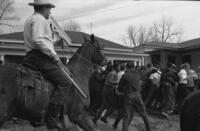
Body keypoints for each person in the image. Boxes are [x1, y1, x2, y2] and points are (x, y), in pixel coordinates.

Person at [23, 0, 72, 129]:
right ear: (43, 8)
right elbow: (38, 40)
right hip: (40, 58)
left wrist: (54, 40)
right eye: (49, 8)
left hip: (31, 56)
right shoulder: (40, 19)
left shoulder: (30, 19)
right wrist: (54, 55)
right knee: (65, 82)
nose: (50, 11)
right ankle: (52, 117)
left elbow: (42, 40)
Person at [117, 62, 151, 131]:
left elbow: (119, 88)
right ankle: (149, 129)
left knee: (126, 116)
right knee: (144, 114)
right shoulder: (138, 74)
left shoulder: (125, 75)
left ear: (127, 67)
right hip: (138, 94)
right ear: (134, 67)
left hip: (129, 95)